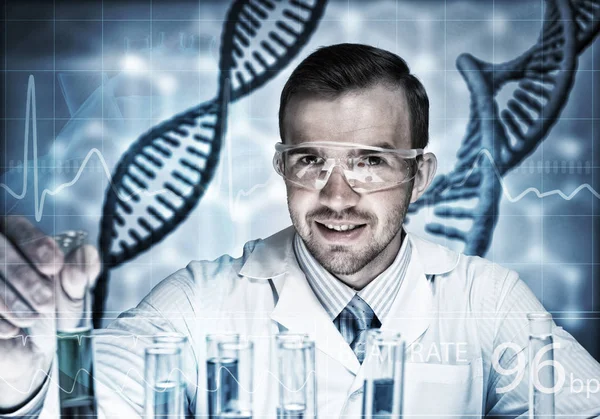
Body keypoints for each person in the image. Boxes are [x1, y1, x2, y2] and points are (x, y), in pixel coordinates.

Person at [1, 43, 599, 418]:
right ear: (282, 167)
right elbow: (90, 402)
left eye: (370, 161)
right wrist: (25, 373)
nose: (337, 197)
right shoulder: (200, 299)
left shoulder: (486, 298)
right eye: (311, 161)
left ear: (419, 176)